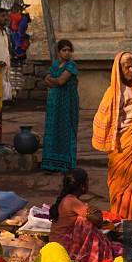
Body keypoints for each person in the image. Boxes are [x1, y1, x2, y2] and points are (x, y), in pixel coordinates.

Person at [92, 52, 132, 221]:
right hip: (122, 149)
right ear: (119, 69)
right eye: (127, 67)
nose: (131, 70)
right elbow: (101, 118)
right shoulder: (113, 93)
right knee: (121, 190)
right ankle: (123, 223)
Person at [49, 168, 123, 262]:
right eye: (87, 181)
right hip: (64, 247)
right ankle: (91, 259)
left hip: (59, 243)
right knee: (84, 221)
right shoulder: (71, 201)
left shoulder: (68, 199)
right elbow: (96, 218)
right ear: (82, 186)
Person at [41, 40, 79, 173]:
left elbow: (61, 81)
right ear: (59, 52)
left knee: (66, 129)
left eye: (69, 50)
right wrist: (53, 80)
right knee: (53, 129)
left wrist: (52, 80)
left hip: (67, 102)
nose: (67, 53)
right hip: (54, 102)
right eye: (64, 50)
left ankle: (66, 163)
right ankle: (51, 162)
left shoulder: (71, 66)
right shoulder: (55, 65)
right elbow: (47, 81)